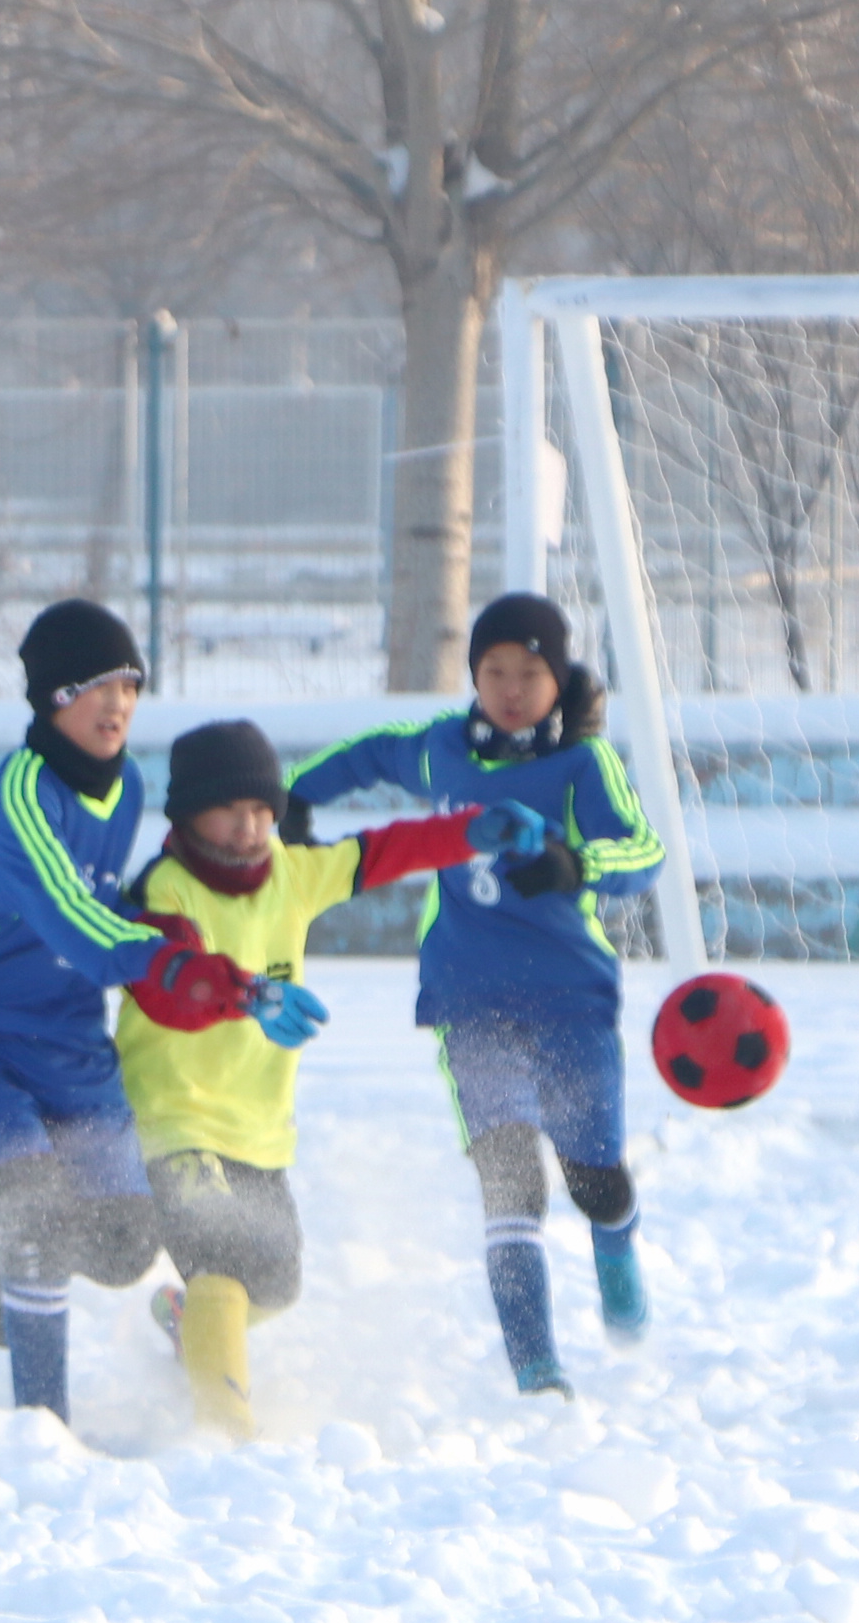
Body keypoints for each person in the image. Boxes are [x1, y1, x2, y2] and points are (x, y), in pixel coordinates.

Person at [0, 600, 311, 1425]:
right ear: (54, 700)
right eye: (97, 686)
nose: (119, 702)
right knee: (35, 1224)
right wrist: (172, 962)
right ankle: (41, 1426)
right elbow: (72, 916)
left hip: (71, 1040)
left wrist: (213, 954)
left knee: (129, 1243)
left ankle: (1, 1238)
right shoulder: (22, 790)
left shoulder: (127, 786)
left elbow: (132, 901)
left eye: (129, 683)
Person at [281, 592, 666, 1397]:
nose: (511, 688)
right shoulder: (443, 751)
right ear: (474, 676)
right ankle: (536, 1367)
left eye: (530, 672)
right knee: (510, 1179)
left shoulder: (582, 766)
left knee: (594, 1179)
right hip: (469, 998)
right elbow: (374, 755)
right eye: (494, 671)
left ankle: (616, 1243)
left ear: (558, 679)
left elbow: (645, 851)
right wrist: (295, 795)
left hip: (573, 1001)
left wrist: (578, 864)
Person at [115, 718, 542, 1437]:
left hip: (259, 1127)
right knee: (221, 1257)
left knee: (275, 1283)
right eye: (232, 811)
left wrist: (476, 829)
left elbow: (384, 852)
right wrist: (248, 993)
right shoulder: (166, 890)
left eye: (263, 811)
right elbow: (170, 987)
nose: (251, 828)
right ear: (189, 815)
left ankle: (190, 1322)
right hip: (172, 1117)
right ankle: (225, 1433)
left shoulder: (292, 873)